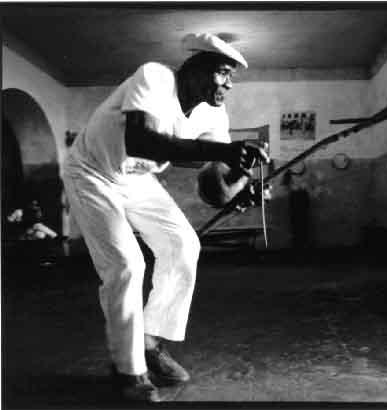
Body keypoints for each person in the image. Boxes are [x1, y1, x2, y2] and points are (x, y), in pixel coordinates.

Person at [62, 33, 269, 402]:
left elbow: (214, 190)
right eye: (223, 72)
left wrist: (242, 177)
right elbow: (141, 142)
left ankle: (148, 343)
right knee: (127, 264)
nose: (230, 84)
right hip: (92, 171)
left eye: (232, 76)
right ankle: (128, 370)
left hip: (137, 179)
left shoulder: (213, 113)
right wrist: (224, 150)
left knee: (183, 244)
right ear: (195, 69)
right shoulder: (156, 77)